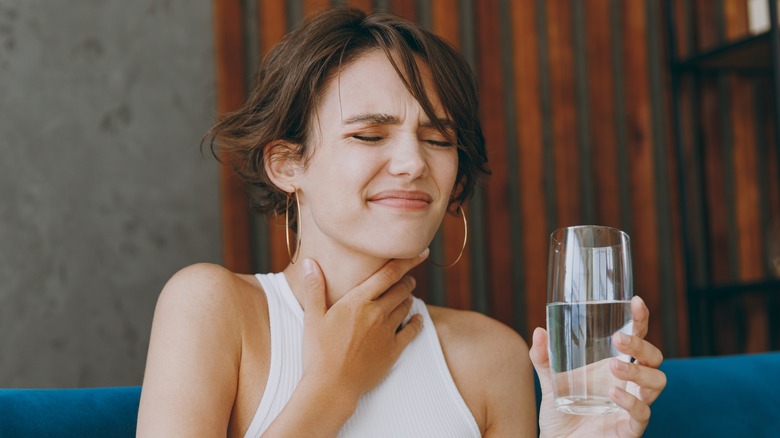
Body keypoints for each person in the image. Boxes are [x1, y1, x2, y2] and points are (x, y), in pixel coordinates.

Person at [136, 7, 666, 437]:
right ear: (287, 165)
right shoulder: (212, 308)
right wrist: (334, 387)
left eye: (438, 139)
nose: (415, 164)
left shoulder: (493, 356)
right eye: (370, 135)